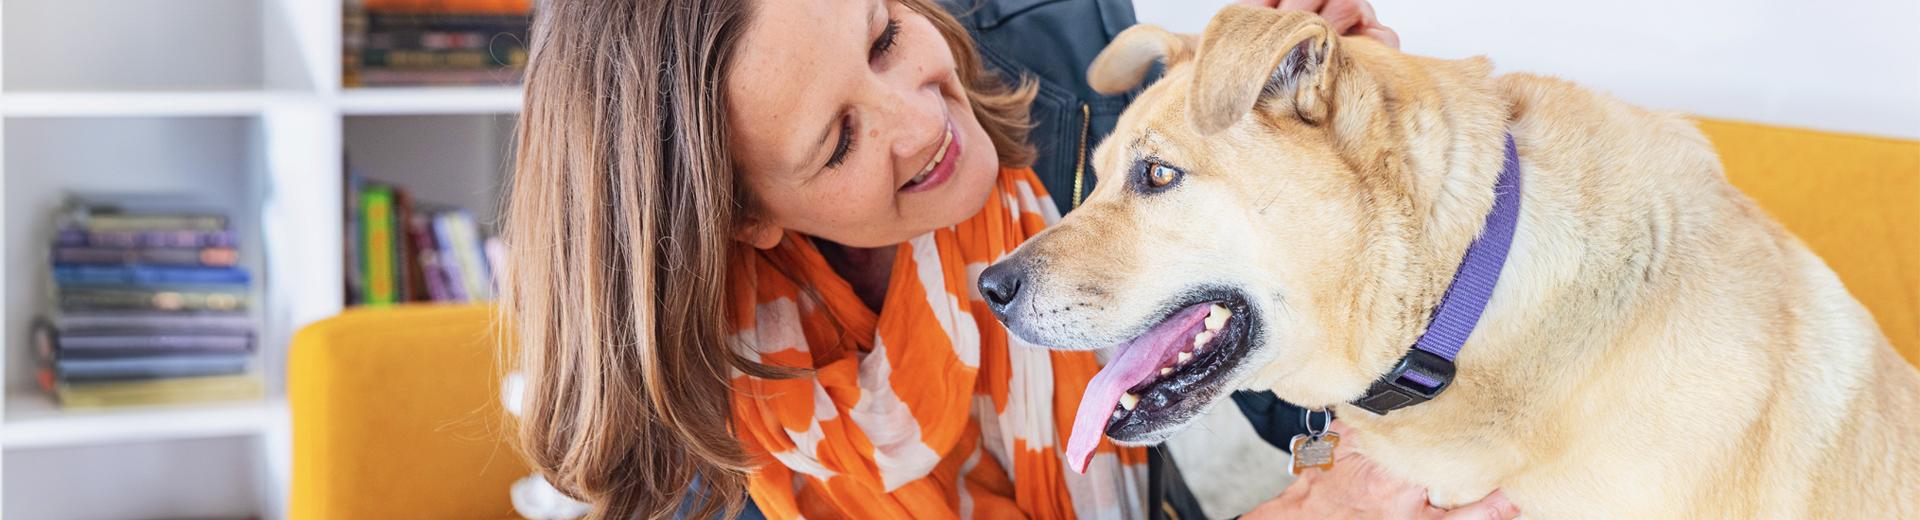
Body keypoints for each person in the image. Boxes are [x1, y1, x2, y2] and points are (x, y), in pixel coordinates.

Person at [499, 0, 1521, 518]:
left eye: (886, 33)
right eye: (841, 141)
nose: (924, 114)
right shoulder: (692, 422)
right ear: (743, 217)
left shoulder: (1060, 45)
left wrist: (1337, 161)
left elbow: (1299, 379)